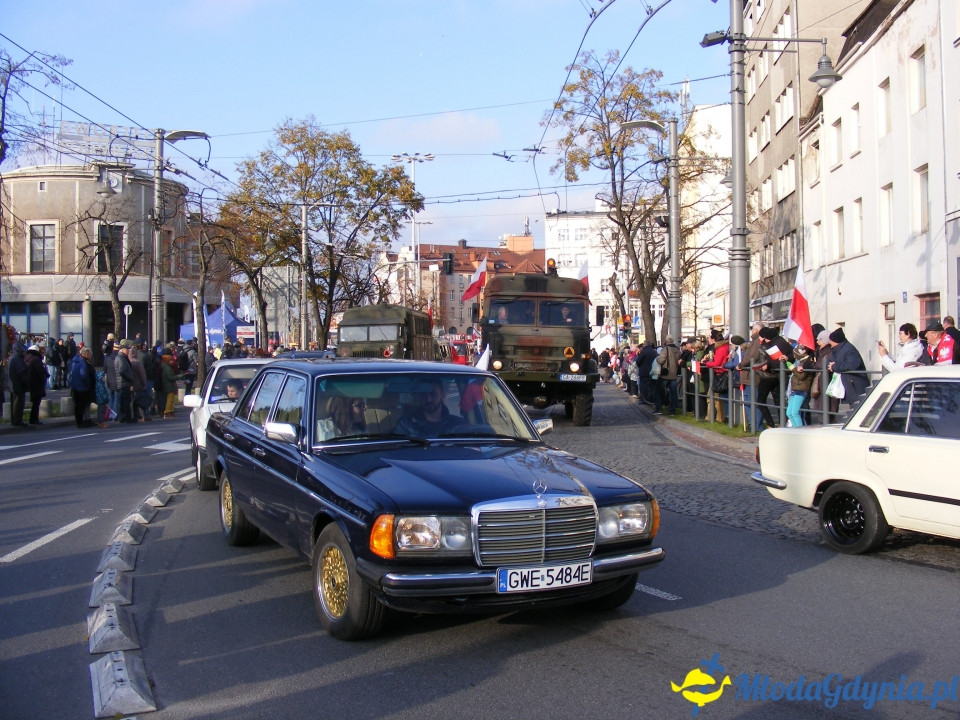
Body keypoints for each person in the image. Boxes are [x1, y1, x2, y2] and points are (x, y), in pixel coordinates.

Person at [394, 379, 463, 436]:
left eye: (433, 394)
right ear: (419, 396)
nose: (428, 399)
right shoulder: (406, 425)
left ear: (443, 394)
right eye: (423, 394)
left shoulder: (457, 424)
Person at [826, 327, 869, 403]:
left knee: (856, 408)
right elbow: (830, 361)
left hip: (855, 385)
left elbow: (851, 365)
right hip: (849, 384)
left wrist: (834, 366)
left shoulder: (850, 350)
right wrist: (829, 366)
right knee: (853, 408)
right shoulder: (836, 350)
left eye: (831, 341)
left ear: (836, 341)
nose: (829, 342)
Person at [785, 345, 815, 427]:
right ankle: (795, 429)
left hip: (802, 389)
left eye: (795, 354)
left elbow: (801, 377)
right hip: (795, 389)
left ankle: (800, 431)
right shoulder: (800, 361)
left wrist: (793, 369)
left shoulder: (807, 362)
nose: (794, 356)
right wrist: (787, 362)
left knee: (795, 412)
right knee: (789, 413)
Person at [69, 347, 97, 427]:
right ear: (87, 354)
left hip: (75, 386)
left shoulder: (75, 361)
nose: (91, 356)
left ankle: (81, 421)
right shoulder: (83, 362)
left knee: (78, 406)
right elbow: (84, 375)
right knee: (82, 406)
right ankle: (81, 422)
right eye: (90, 355)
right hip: (82, 387)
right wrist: (88, 383)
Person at [654, 336, 681, 416]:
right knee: (673, 393)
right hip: (674, 373)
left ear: (666, 342)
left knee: (658, 391)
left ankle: (659, 409)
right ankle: (672, 410)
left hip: (665, 373)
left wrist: (657, 359)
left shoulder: (665, 349)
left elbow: (661, 360)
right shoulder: (677, 349)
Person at [24, 344, 49, 425]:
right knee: (36, 403)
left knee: (35, 403)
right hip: (37, 384)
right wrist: (44, 377)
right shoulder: (36, 359)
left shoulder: (28, 359)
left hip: (32, 383)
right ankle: (34, 419)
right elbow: (40, 372)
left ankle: (33, 419)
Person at [6, 343, 29, 427]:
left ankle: (15, 421)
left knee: (15, 404)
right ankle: (17, 421)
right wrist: (27, 382)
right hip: (18, 385)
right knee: (18, 404)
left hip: (13, 385)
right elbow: (22, 373)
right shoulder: (17, 360)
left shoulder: (12, 358)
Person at [114, 340, 136, 423]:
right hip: (123, 383)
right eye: (127, 349)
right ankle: (125, 417)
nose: (128, 351)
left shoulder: (122, 358)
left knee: (124, 401)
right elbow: (122, 371)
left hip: (123, 382)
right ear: (122, 350)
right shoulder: (121, 358)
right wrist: (129, 378)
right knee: (125, 401)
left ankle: (124, 417)